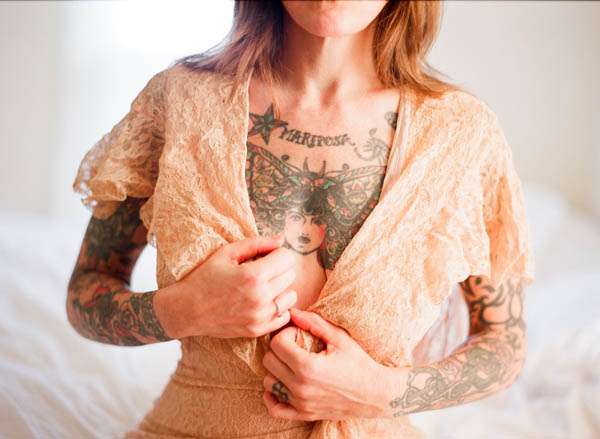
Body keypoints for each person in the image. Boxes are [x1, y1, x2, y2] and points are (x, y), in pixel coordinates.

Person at [67, 1, 535, 437]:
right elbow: (86, 290)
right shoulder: (179, 102)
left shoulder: (460, 132)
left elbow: (504, 343)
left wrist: (380, 393)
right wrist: (184, 309)